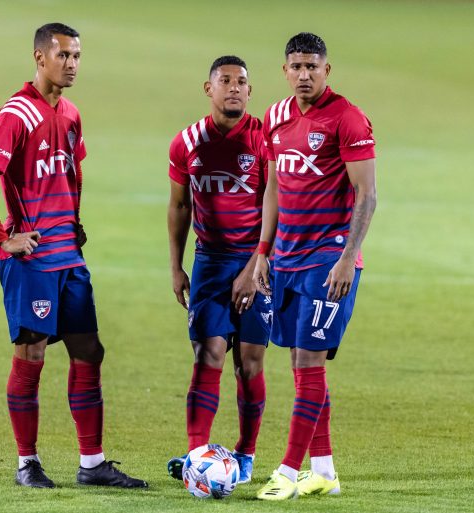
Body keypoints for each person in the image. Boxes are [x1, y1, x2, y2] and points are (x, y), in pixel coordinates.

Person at [0, 22, 146, 489]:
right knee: (32, 353)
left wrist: (76, 219)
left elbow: (73, 170)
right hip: (34, 260)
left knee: (90, 350)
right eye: (63, 56)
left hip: (68, 254)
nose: (72, 65)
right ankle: (27, 463)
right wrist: (4, 239)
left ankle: (92, 463)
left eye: (77, 56)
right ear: (39, 58)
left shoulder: (70, 113)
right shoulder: (17, 113)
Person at [252, 32, 377, 500]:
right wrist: (262, 252)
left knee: (309, 361)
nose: (304, 75)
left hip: (328, 262)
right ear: (285, 70)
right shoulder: (276, 117)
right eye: (296, 67)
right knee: (303, 368)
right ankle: (323, 470)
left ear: (328, 70)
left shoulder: (347, 118)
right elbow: (273, 189)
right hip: (285, 258)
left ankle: (286, 471)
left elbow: (367, 193)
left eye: (313, 67)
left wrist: (347, 259)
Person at [166, 56, 271, 485]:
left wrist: (255, 265)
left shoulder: (266, 141)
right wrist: (176, 266)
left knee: (249, 361)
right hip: (209, 261)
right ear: (207, 89)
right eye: (224, 81)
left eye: (241, 82)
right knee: (207, 352)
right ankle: (197, 456)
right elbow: (178, 206)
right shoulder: (187, 142)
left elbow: (276, 207)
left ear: (250, 91)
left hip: (259, 260)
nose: (233, 88)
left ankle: (244, 458)